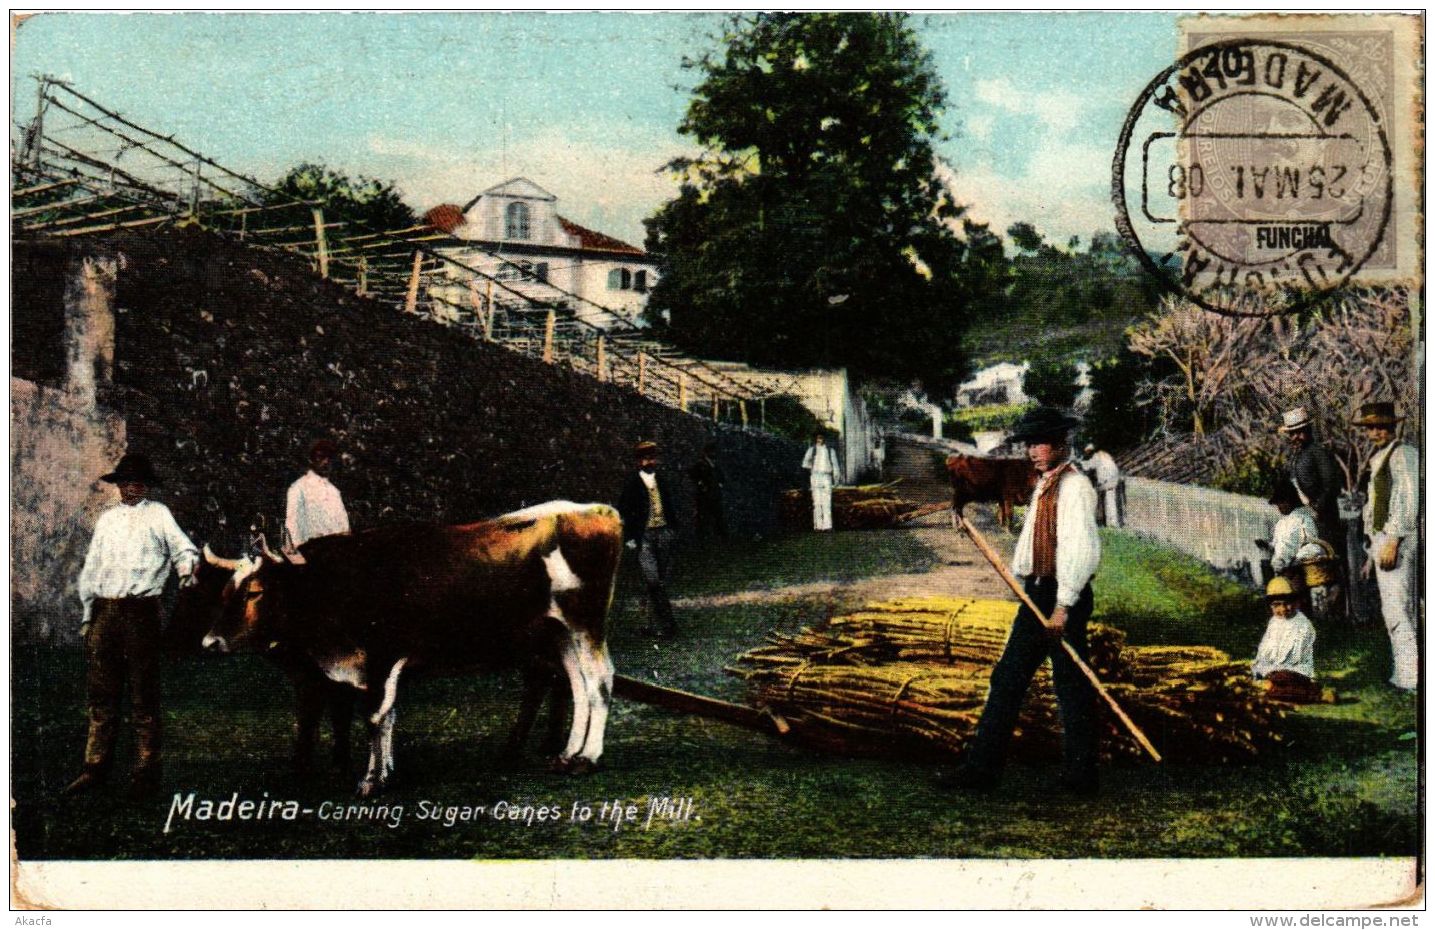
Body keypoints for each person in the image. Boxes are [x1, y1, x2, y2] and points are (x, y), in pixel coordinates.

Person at [946, 407, 1102, 795]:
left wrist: (1063, 606)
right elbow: (1032, 541)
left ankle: (1080, 776)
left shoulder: (1074, 487)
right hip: (1038, 592)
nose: (1032, 451)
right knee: (1009, 679)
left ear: (1061, 444)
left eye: (1039, 443)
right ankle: (981, 770)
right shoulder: (1045, 484)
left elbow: (1079, 550)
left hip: (1062, 595)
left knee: (1070, 685)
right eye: (1029, 444)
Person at [65, 453, 198, 798]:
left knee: (143, 696)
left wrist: (186, 573)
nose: (130, 489)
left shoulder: (158, 514)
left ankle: (144, 772)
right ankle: (95, 768)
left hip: (141, 613)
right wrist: (87, 615)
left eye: (137, 483)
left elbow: (184, 550)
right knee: (101, 694)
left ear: (146, 486)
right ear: (118, 485)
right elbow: (92, 568)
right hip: (105, 614)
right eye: (125, 482)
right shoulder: (107, 520)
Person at [1353, 402, 1419, 692]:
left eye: (1382, 427)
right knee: (1393, 609)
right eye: (1371, 428)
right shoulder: (1380, 457)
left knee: (1399, 610)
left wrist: (1392, 539)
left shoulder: (1403, 454)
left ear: (1393, 427)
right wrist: (1372, 551)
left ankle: (1410, 678)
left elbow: (1409, 500)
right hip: (1383, 540)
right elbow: (1374, 507)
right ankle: (1404, 672)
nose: (1376, 432)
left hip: (1399, 539)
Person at [618, 440, 682, 638]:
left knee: (659, 581)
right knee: (652, 580)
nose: (648, 462)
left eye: (652, 458)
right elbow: (624, 512)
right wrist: (629, 538)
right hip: (643, 536)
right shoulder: (632, 484)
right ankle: (668, 624)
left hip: (663, 534)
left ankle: (650, 624)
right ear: (638, 461)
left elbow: (670, 505)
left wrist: (672, 530)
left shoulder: (662, 480)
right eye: (645, 459)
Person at [1280, 406, 1343, 554]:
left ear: (1309, 430)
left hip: (1324, 519)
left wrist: (1317, 508)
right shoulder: (1296, 457)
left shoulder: (1318, 452)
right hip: (1305, 520)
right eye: (1292, 433)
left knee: (1327, 559)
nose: (1296, 437)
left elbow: (1331, 484)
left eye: (1300, 432)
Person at [1252, 576, 1321, 704]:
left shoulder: (1302, 625)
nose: (1283, 609)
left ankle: (1312, 693)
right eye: (1277, 605)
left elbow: (1293, 656)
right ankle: (1272, 687)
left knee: (1277, 682)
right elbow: (1265, 649)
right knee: (1253, 678)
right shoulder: (1274, 622)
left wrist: (1272, 670)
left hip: (1294, 670)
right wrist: (1259, 666)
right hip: (1273, 669)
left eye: (1287, 604)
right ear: (1271, 606)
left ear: (1297, 603)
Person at [285, 439, 350, 549]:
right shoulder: (298, 488)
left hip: (337, 552)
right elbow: (292, 528)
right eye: (320, 457)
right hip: (312, 552)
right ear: (311, 460)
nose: (325, 462)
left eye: (328, 458)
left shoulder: (334, 492)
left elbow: (345, 527)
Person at [689, 440, 727, 539]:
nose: (713, 454)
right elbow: (693, 475)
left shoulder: (714, 465)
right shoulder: (701, 464)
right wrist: (702, 485)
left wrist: (719, 485)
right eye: (711, 452)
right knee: (704, 518)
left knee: (718, 517)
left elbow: (722, 477)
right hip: (705, 496)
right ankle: (702, 540)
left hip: (715, 495)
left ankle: (721, 539)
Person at [802, 431, 839, 532]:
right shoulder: (812, 450)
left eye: (822, 438)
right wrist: (812, 467)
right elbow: (805, 463)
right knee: (817, 502)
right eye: (818, 438)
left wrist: (836, 477)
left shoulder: (830, 451)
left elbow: (835, 465)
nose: (820, 440)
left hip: (826, 476)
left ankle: (827, 526)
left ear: (824, 439)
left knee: (826, 501)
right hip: (815, 476)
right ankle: (818, 526)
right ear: (816, 439)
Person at [1082, 442, 1123, 528]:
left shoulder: (1096, 457)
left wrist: (1080, 464)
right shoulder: (1105, 455)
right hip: (1115, 477)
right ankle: (1114, 523)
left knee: (1110, 501)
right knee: (1113, 500)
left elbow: (1087, 466)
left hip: (1108, 480)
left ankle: (1113, 524)